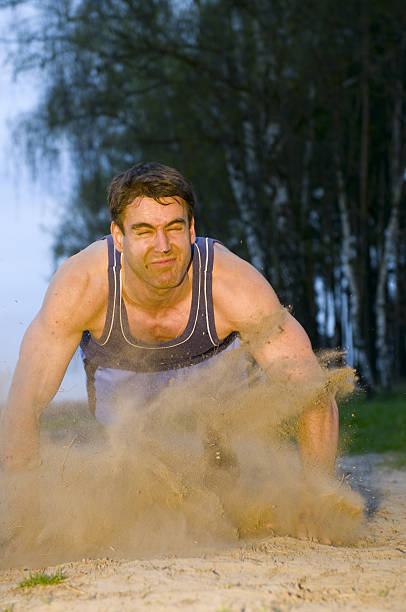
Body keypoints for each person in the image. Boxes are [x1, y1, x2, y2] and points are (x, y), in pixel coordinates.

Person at [0, 162, 338, 474]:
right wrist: (23, 507)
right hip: (120, 378)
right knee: (134, 479)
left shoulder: (235, 286)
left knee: (230, 470)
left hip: (213, 367)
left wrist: (318, 496)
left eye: (173, 228)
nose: (162, 246)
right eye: (144, 231)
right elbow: (24, 402)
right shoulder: (82, 284)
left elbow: (311, 391)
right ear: (119, 237)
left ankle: (223, 460)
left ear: (191, 230)